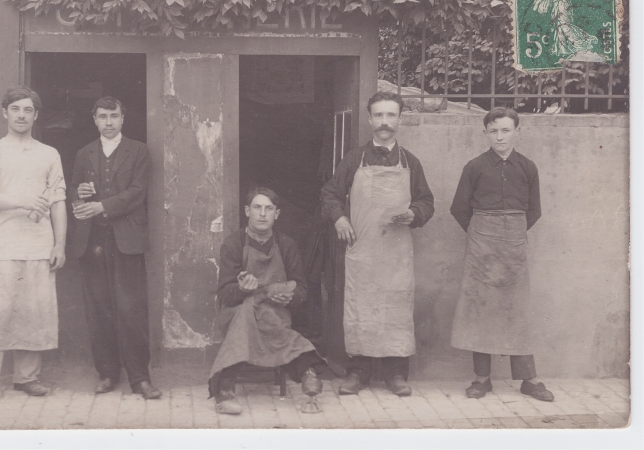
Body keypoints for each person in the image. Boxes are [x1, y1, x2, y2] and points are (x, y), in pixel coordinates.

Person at [321, 91, 434, 397]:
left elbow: (427, 202)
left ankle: (396, 374)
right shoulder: (353, 159)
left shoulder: (411, 161)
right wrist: (340, 219)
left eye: (391, 115)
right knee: (362, 309)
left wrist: (414, 213)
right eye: (379, 115)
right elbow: (330, 195)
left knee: (396, 309)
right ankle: (358, 372)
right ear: (370, 119)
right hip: (364, 251)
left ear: (400, 119)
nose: (385, 122)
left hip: (396, 253)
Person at [0, 86, 67, 407]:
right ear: (5, 113)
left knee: (34, 310)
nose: (21, 116)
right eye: (16, 109)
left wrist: (59, 244)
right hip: (4, 243)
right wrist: (22, 201)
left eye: (28, 110)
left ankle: (27, 378)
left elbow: (58, 202)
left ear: (36, 115)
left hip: (39, 243)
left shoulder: (49, 154)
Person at [449, 107, 554, 402]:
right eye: (493, 131)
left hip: (515, 245)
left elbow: (534, 211)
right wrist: (482, 233)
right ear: (485, 134)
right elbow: (459, 208)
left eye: (506, 130)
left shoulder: (528, 167)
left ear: (517, 132)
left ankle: (528, 380)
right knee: (480, 309)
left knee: (516, 311)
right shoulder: (474, 166)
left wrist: (512, 234)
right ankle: (482, 379)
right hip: (481, 244)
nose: (500, 136)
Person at [68, 97, 161, 399]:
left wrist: (101, 206)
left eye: (114, 116)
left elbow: (137, 193)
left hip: (126, 240)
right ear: (94, 119)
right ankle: (107, 373)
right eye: (102, 117)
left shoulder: (139, 151)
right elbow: (74, 192)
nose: (108, 122)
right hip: (92, 241)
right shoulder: (84, 153)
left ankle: (140, 377)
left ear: (123, 119)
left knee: (130, 309)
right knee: (99, 309)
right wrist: (79, 194)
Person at [210, 187, 326, 415]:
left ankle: (224, 388)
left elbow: (301, 288)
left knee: (263, 315)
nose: (262, 214)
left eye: (269, 209)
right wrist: (242, 289)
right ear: (247, 211)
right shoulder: (233, 243)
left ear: (277, 214)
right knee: (246, 311)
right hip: (236, 312)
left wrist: (291, 297)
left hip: (275, 311)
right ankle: (307, 370)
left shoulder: (286, 245)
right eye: (257, 207)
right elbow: (225, 294)